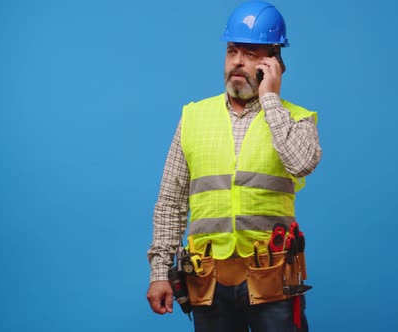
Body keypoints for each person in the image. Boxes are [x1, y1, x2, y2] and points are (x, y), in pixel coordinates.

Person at [146, 1, 322, 331]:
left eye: (251, 53)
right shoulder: (193, 118)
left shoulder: (297, 119)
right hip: (208, 284)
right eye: (232, 51)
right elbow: (170, 203)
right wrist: (159, 272)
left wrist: (270, 99)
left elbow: (300, 163)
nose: (238, 62)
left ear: (273, 62)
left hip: (274, 284)